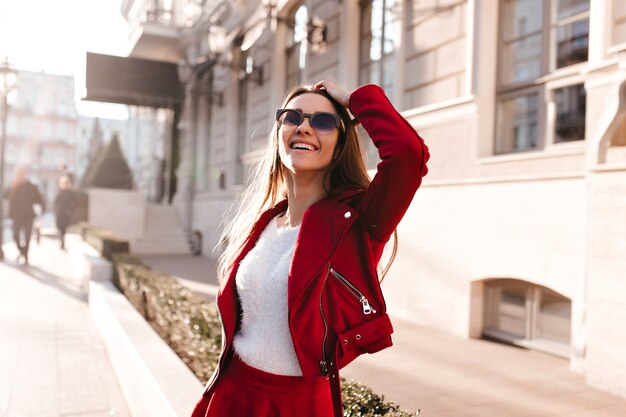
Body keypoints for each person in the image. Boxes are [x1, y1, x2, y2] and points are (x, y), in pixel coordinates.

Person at [190, 81, 429, 417]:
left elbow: (407, 155)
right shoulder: (265, 222)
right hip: (232, 392)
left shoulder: (357, 223)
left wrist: (355, 100)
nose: (304, 126)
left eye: (323, 121)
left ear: (340, 144)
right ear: (279, 133)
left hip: (299, 405)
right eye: (293, 117)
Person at [7, 167, 45, 264]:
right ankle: (22, 251)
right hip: (16, 216)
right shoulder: (14, 186)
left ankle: (26, 255)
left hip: (28, 216)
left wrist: (42, 212)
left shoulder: (31, 186)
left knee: (27, 237)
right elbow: (5, 195)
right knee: (15, 235)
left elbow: (39, 199)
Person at [54, 175, 76, 250]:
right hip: (60, 213)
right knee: (60, 228)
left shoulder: (71, 193)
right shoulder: (60, 192)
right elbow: (56, 202)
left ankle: (63, 241)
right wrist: (57, 209)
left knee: (64, 228)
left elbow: (74, 203)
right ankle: (62, 241)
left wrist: (70, 210)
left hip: (67, 214)